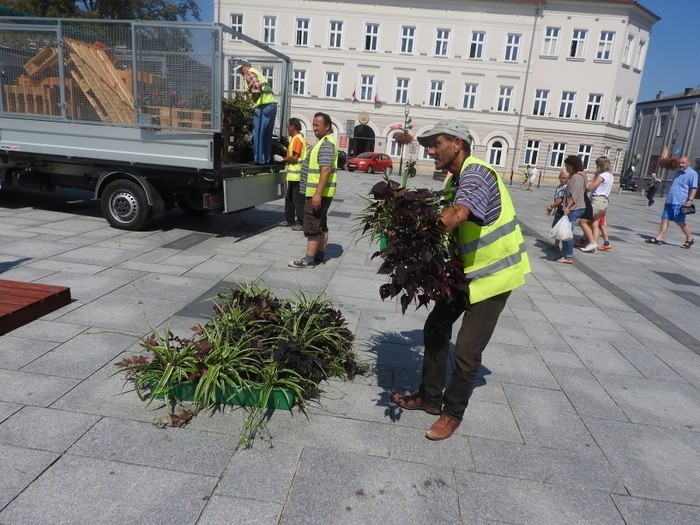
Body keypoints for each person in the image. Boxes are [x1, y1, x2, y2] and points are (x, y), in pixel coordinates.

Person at [390, 119, 531, 441]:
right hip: (467, 275)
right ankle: (429, 397)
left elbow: (457, 214)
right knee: (436, 327)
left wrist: (413, 237)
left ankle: (452, 414)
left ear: (457, 143)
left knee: (467, 351)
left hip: (495, 276)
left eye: (435, 143)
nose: (430, 150)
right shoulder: (456, 181)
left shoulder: (477, 172)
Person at [288, 112, 337, 267]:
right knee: (321, 224)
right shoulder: (324, 141)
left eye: (317, 125)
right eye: (313, 124)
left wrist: (317, 194)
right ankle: (319, 255)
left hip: (317, 193)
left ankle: (308, 259)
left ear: (327, 126)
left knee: (312, 224)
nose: (314, 128)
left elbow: (326, 170)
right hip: (319, 193)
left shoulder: (326, 144)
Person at [645, 156, 697, 248]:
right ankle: (658, 238)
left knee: (680, 221)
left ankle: (689, 239)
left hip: (680, 202)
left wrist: (690, 200)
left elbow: (694, 188)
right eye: (680, 163)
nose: (680, 164)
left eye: (683, 163)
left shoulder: (692, 174)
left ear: (689, 163)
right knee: (664, 219)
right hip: (670, 200)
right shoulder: (678, 171)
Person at [236, 59, 278, 165]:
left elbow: (256, 87)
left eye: (240, 70)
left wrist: (253, 101)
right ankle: (266, 159)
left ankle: (259, 160)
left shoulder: (249, 73)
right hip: (271, 105)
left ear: (245, 66)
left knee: (258, 134)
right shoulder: (256, 72)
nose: (239, 72)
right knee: (266, 135)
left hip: (263, 106)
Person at [556, 154, 596, 263]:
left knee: (567, 232)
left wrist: (567, 207)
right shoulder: (580, 176)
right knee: (566, 231)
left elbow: (575, 194)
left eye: (567, 166)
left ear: (572, 165)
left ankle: (568, 256)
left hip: (574, 208)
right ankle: (565, 254)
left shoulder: (577, 177)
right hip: (576, 207)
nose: (566, 168)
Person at [278, 118, 307, 228]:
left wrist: (282, 159)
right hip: (293, 175)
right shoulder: (296, 139)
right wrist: (285, 149)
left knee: (297, 200)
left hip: (297, 176)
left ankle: (301, 223)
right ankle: (290, 220)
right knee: (289, 198)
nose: (287, 129)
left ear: (292, 127)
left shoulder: (297, 139)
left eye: (288, 126)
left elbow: (295, 158)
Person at [585, 156, 614, 251]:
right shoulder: (610, 175)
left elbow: (592, 187)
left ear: (600, 166)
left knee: (584, 221)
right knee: (595, 223)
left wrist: (585, 188)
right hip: (604, 201)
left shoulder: (603, 175)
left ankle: (591, 242)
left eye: (597, 165)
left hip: (598, 200)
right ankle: (594, 244)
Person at [546, 169, 570, 251]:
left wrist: (551, 206)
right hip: (558, 208)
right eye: (561, 177)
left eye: (565, 178)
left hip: (561, 209)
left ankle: (557, 246)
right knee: (556, 226)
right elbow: (556, 198)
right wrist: (552, 204)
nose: (563, 180)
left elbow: (560, 200)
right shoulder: (559, 186)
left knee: (558, 227)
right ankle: (556, 245)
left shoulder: (565, 187)